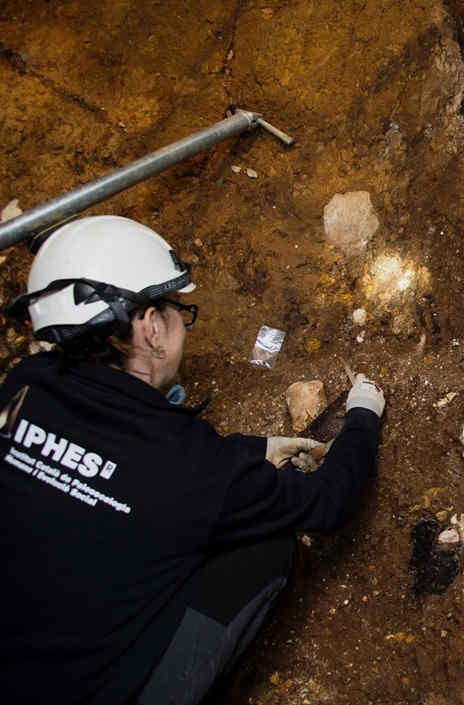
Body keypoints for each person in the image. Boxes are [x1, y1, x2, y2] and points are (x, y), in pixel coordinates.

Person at [0, 216, 385, 705]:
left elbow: (127, 466)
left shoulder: (20, 389)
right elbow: (329, 502)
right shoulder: (186, 465)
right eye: (178, 309)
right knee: (267, 549)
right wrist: (363, 417)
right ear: (151, 326)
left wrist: (253, 450)